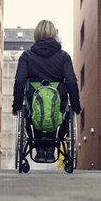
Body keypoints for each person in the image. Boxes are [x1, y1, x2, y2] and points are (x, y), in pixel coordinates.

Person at [12, 20, 81, 161]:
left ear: (36, 34)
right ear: (54, 34)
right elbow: (71, 81)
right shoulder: (64, 56)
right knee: (58, 110)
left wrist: (16, 106)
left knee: (34, 109)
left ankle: (39, 149)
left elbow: (19, 81)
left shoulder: (27, 56)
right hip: (59, 104)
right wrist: (76, 106)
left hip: (33, 103)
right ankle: (51, 149)